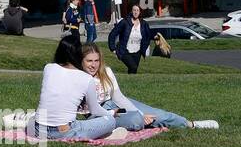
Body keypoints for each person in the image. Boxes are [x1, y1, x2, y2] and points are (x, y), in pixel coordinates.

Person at [80, 43, 218, 130]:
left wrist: (140, 113)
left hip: (114, 105)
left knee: (158, 115)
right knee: (135, 121)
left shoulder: (106, 71)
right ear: (81, 61)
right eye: (89, 61)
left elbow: (119, 97)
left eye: (96, 60)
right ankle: (124, 126)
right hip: (96, 115)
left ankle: (191, 124)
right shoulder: (77, 78)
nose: (93, 65)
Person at [25, 34, 114, 141]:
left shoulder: (48, 68)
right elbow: (94, 110)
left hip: (37, 130)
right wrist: (111, 113)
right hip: (64, 131)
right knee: (110, 121)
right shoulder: (86, 78)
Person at [107, 3, 153, 73]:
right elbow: (112, 34)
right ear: (131, 11)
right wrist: (113, 48)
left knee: (133, 70)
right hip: (124, 50)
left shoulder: (144, 24)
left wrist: (144, 47)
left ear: (140, 12)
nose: (136, 12)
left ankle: (132, 83)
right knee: (133, 67)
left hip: (138, 51)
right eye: (134, 10)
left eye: (137, 10)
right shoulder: (125, 22)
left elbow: (148, 36)